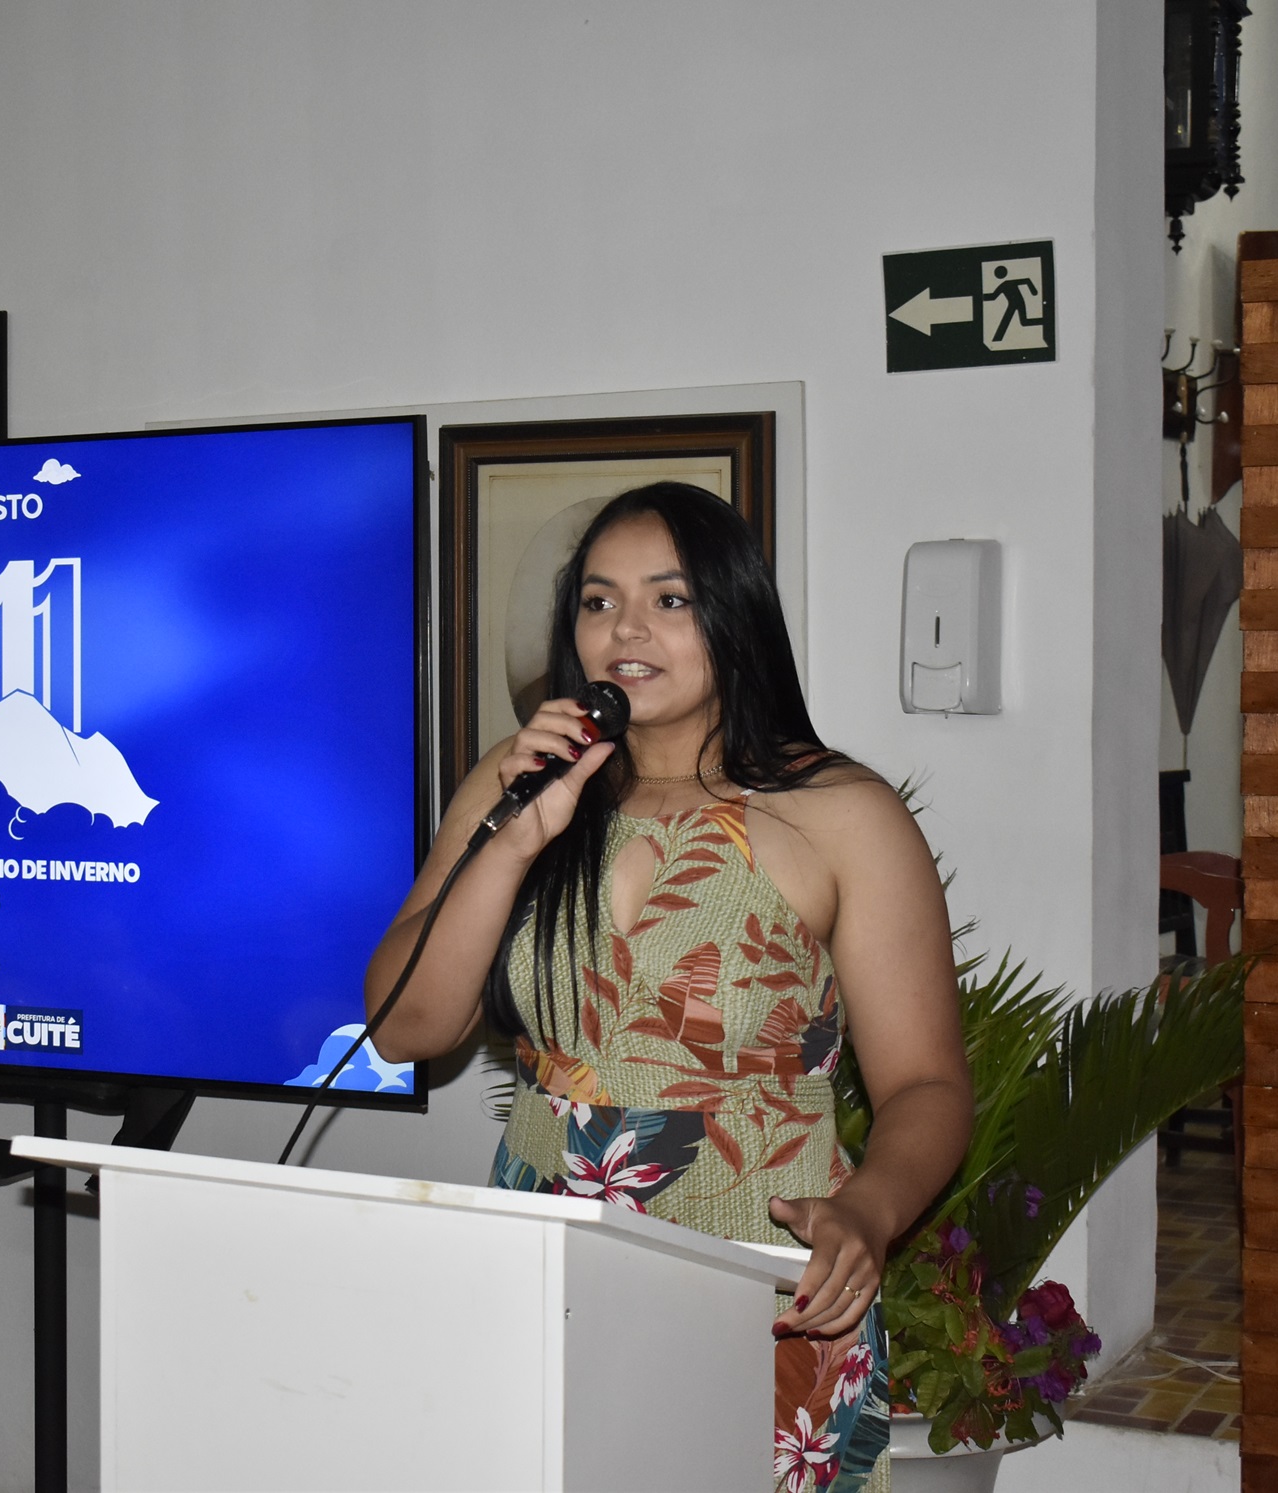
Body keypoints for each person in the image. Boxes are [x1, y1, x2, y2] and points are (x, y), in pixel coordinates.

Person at [365, 483, 972, 1492]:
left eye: (669, 599)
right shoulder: (518, 779)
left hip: (757, 1271)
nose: (626, 629)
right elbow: (405, 1027)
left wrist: (869, 1211)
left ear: (734, 613)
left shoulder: (842, 812)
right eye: (598, 601)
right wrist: (515, 836)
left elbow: (927, 1084)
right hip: (546, 1250)